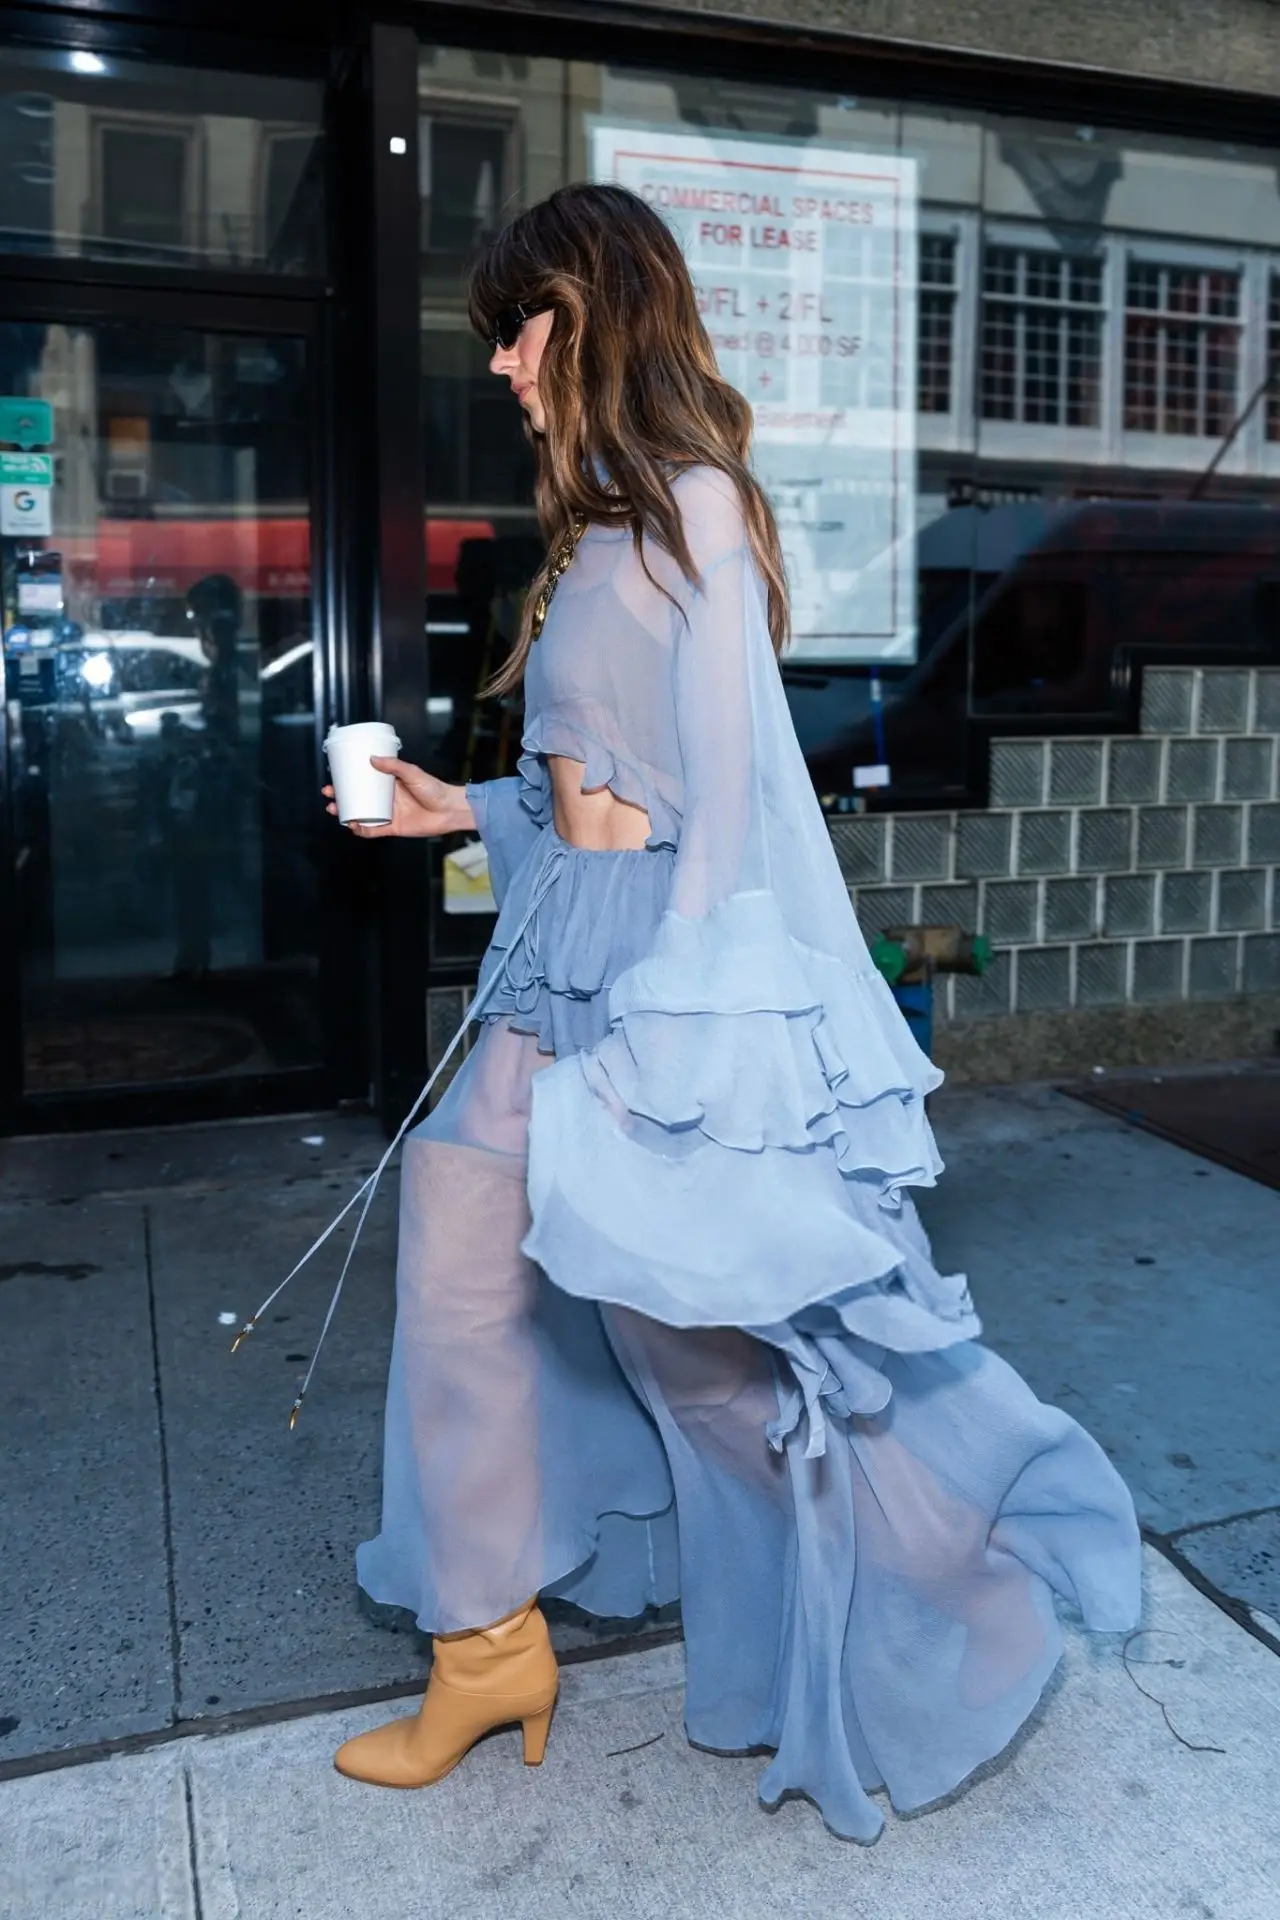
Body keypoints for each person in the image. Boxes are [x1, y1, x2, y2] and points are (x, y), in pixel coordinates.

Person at [323, 184, 1142, 1840]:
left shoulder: (696, 503)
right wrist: (458, 813)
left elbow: (736, 807)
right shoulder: (599, 530)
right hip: (557, 956)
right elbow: (593, 795)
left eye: (518, 327)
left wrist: (682, 1040)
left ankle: (944, 1583)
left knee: (718, 1363)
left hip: (655, 981)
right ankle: (485, 1641)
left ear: (592, 313)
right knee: (464, 1254)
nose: (501, 365)